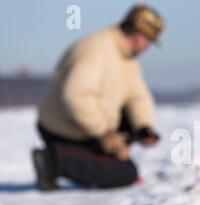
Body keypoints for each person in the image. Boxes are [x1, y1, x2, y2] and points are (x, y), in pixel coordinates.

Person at [33, 5, 165, 191]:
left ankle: (70, 157)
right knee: (125, 173)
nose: (148, 47)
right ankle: (52, 161)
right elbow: (75, 96)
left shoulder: (126, 58)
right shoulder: (97, 48)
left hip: (86, 126)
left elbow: (137, 96)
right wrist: (106, 134)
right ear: (139, 36)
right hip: (62, 128)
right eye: (150, 41)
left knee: (128, 135)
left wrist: (144, 127)